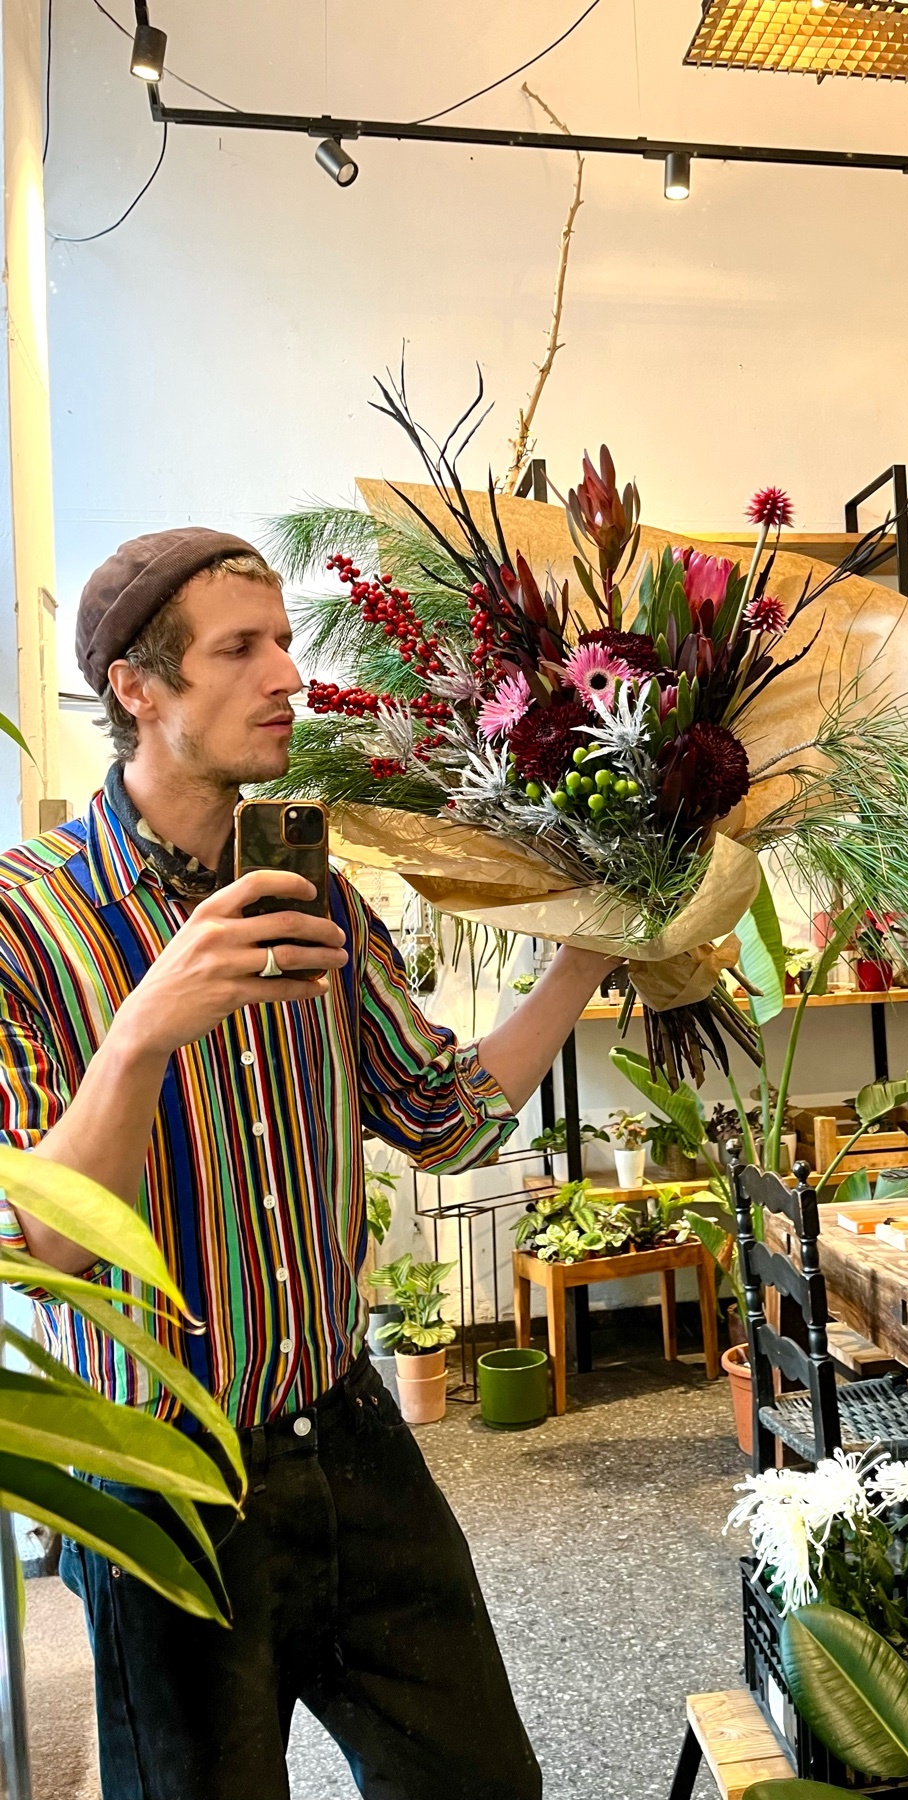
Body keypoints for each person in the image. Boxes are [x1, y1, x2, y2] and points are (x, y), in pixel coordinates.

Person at [0, 528, 620, 1800]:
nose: (289, 676)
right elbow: (34, 1241)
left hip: (350, 1431)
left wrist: (590, 952)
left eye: (283, 640)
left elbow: (443, 1114)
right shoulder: (27, 920)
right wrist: (142, 1032)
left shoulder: (317, 896)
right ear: (138, 686)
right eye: (241, 648)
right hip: (169, 1477)